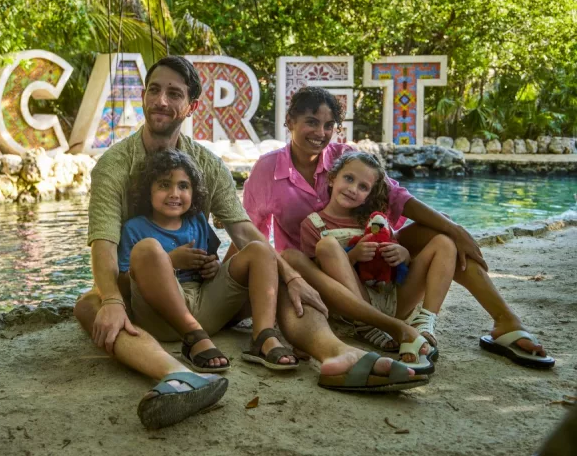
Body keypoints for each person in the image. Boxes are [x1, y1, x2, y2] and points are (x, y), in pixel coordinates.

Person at [74, 57, 428, 431]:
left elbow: (243, 231)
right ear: (143, 95)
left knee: (280, 268)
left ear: (191, 106)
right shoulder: (114, 164)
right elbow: (104, 243)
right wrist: (113, 300)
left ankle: (336, 355)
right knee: (92, 303)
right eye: (154, 90)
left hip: (203, 294)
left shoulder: (206, 164)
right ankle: (179, 376)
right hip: (149, 296)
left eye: (173, 93)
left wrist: (290, 277)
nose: (161, 100)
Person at [243, 86, 555, 369]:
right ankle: (379, 324)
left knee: (443, 236)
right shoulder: (267, 169)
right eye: (311, 122)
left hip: (377, 271)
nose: (320, 132)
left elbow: (397, 197)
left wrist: (454, 228)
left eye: (328, 125)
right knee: (294, 257)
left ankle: (503, 321)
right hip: (319, 275)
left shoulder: (345, 157)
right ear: (290, 121)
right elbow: (249, 231)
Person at [118, 148, 297, 373]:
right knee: (148, 249)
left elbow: (214, 263)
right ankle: (193, 339)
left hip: (206, 309)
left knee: (260, 249)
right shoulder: (135, 228)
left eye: (183, 186)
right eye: (164, 185)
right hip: (161, 319)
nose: (174, 193)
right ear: (147, 191)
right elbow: (124, 282)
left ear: (193, 192)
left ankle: (263, 336)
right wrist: (169, 261)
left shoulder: (197, 222)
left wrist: (213, 267)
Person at [299, 150, 457, 374]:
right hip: (353, 303)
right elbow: (318, 277)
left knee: (444, 241)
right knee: (327, 246)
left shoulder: (375, 220)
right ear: (332, 178)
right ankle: (366, 324)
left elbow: (398, 269)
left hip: (392, 299)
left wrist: (403, 254)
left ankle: (426, 319)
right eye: (349, 178)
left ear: (369, 194)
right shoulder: (313, 224)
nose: (353, 189)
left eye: (363, 187)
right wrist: (352, 256)